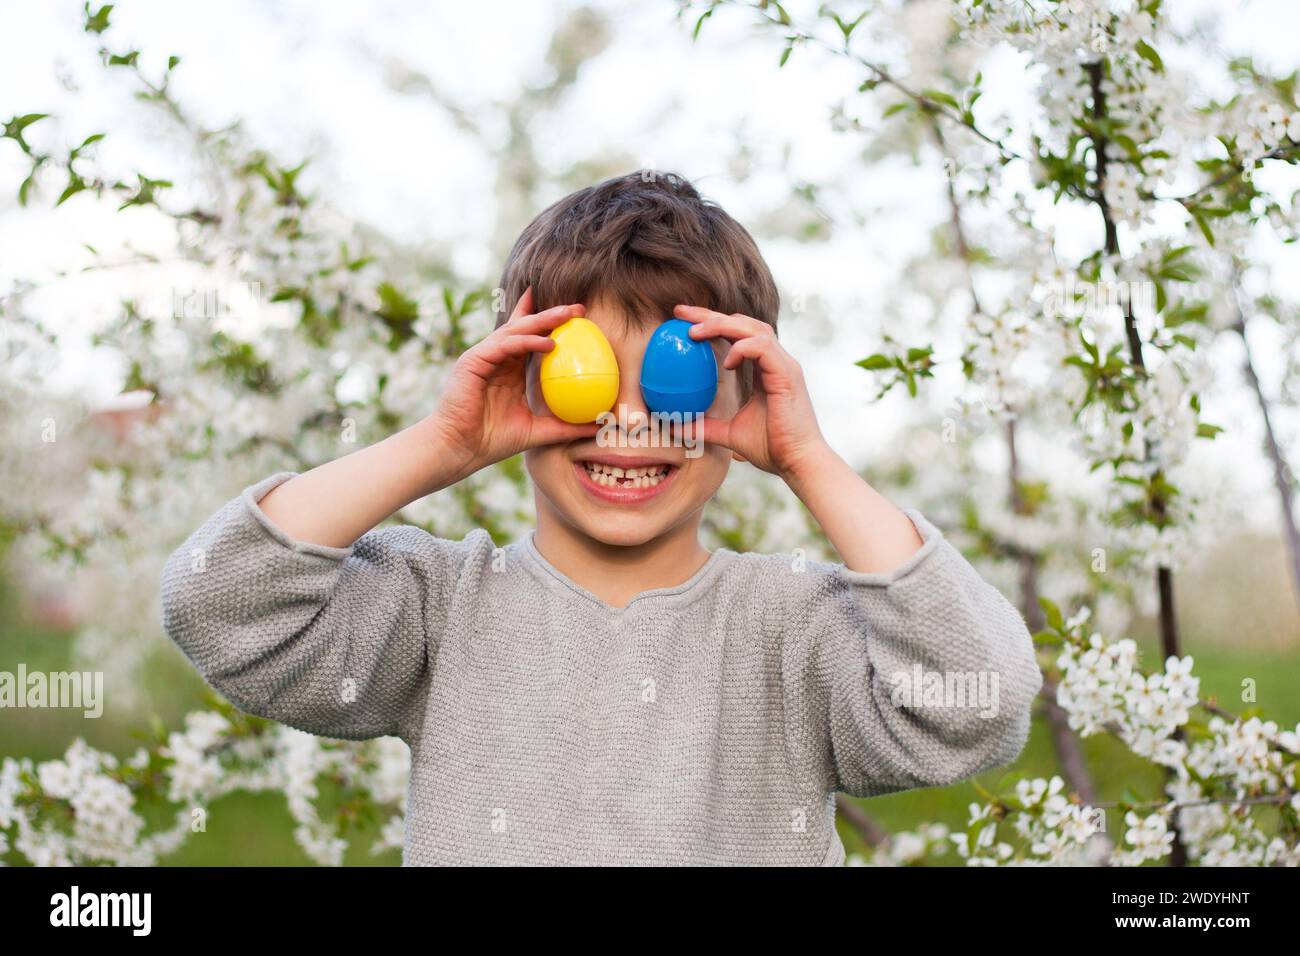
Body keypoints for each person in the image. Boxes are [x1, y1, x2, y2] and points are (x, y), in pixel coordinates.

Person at [160, 171, 1043, 865]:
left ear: (749, 393)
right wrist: (443, 443)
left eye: (672, 380)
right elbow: (221, 605)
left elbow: (979, 705)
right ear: (518, 376)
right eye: (581, 378)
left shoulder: (794, 628)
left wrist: (811, 462)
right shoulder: (442, 609)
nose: (625, 422)